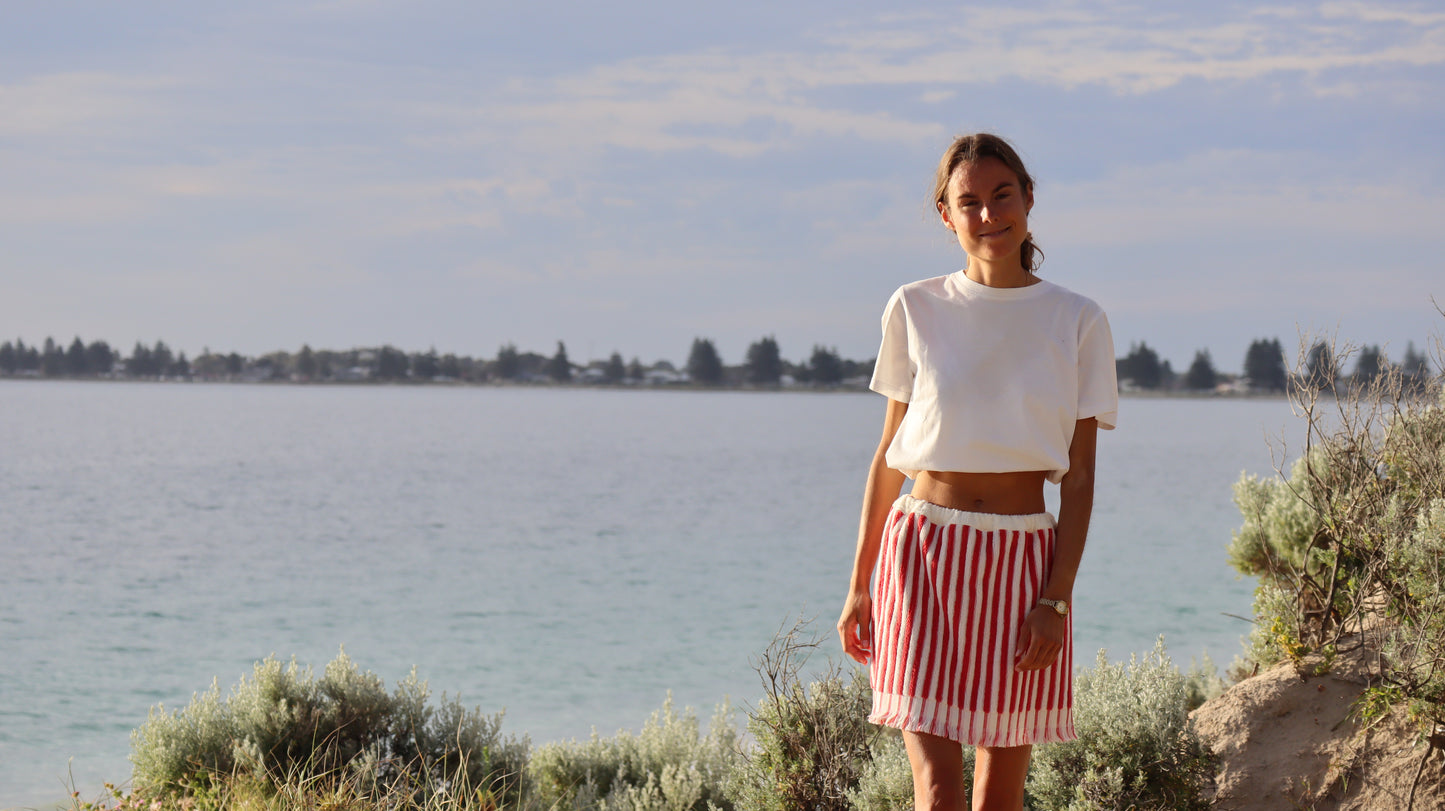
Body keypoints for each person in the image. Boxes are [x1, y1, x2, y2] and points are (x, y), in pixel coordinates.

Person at [836, 133, 1117, 811]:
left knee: (998, 798)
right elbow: (886, 456)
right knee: (937, 794)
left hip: (1021, 564)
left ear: (1027, 199)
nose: (989, 215)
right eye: (969, 203)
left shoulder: (1077, 319)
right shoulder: (914, 307)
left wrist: (1056, 597)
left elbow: (1077, 478)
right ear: (944, 214)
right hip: (921, 555)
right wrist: (859, 586)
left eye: (1002, 196)